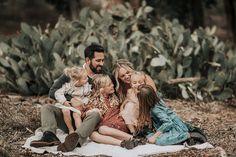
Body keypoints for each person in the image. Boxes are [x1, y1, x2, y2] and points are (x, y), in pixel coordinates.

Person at [30, 44, 108, 151]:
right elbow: (53, 91)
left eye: (103, 60)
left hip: (87, 121)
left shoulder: (104, 76)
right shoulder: (73, 74)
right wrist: (71, 100)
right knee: (47, 108)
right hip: (68, 117)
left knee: (95, 114)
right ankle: (50, 136)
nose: (101, 64)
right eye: (98, 61)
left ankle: (75, 139)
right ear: (88, 60)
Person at [136, 84, 207, 145]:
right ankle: (182, 140)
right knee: (149, 135)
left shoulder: (156, 110)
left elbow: (168, 123)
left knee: (159, 141)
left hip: (175, 127)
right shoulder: (156, 99)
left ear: (144, 101)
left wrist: (155, 136)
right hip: (172, 125)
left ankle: (189, 135)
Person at [87, 74, 140, 149]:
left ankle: (133, 138)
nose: (112, 85)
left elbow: (118, 112)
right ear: (101, 89)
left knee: (102, 129)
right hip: (108, 127)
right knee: (92, 135)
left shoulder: (114, 98)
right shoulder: (94, 101)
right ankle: (122, 143)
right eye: (109, 85)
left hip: (118, 123)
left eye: (112, 83)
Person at [54, 66, 91, 134]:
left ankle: (79, 132)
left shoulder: (86, 86)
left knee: (76, 115)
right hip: (69, 104)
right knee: (65, 111)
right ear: (77, 81)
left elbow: (89, 96)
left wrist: (83, 102)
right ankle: (70, 129)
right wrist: (64, 101)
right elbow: (58, 93)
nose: (87, 79)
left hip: (79, 105)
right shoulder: (68, 86)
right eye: (85, 78)